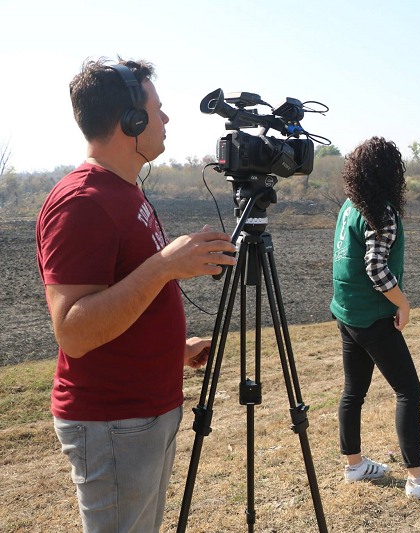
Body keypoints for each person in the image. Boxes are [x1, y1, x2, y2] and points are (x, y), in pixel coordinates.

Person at [36, 58, 237, 532]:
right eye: (158, 109)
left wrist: (171, 349)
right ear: (132, 120)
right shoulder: (82, 203)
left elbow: (125, 292)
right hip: (113, 422)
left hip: (143, 411)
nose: (165, 119)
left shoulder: (125, 191)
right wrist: (166, 266)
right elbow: (74, 332)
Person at [330, 137, 420, 499]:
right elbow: (376, 268)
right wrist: (403, 304)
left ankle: (354, 466)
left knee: (353, 391)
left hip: (346, 313)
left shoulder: (349, 205)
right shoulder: (380, 211)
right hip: (371, 317)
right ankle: (419, 480)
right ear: (391, 173)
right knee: (409, 391)